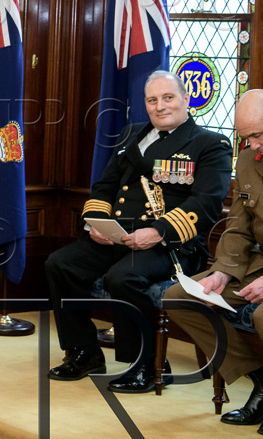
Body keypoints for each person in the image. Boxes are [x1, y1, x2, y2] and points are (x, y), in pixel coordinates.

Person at [45, 70, 232, 392]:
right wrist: (97, 223)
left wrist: (158, 232)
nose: (160, 106)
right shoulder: (132, 134)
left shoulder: (210, 143)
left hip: (170, 245)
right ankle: (84, 353)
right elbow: (105, 186)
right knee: (60, 264)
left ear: (186, 100)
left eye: (168, 97)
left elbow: (207, 203)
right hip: (119, 237)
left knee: (123, 277)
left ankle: (146, 363)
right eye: (152, 100)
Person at [164, 89, 263, 427]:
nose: (252, 145)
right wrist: (223, 272)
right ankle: (258, 378)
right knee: (180, 297)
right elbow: (239, 226)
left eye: (258, 135)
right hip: (255, 266)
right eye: (246, 137)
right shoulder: (248, 160)